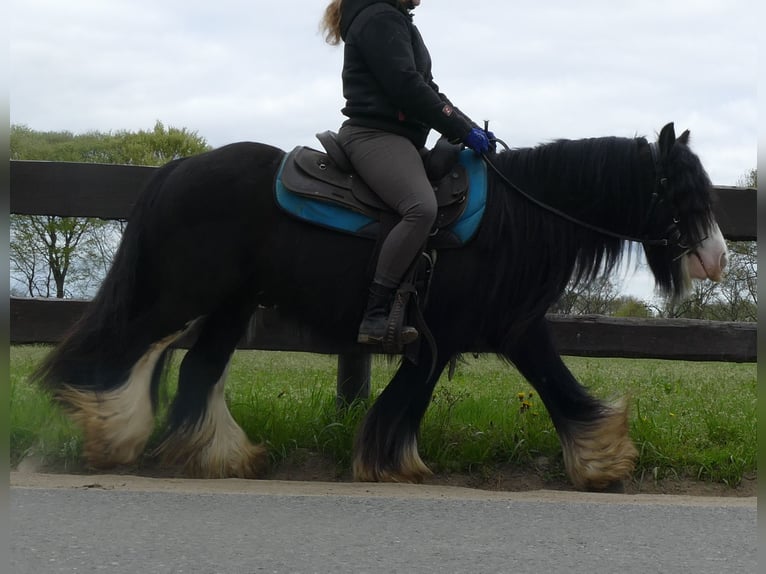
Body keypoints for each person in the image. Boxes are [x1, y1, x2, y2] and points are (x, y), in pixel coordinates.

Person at [321, 0, 492, 346]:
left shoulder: (397, 20)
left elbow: (427, 87)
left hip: (402, 139)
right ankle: (375, 313)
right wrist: (459, 127)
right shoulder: (379, 18)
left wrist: (467, 126)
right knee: (421, 207)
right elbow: (406, 87)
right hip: (374, 136)